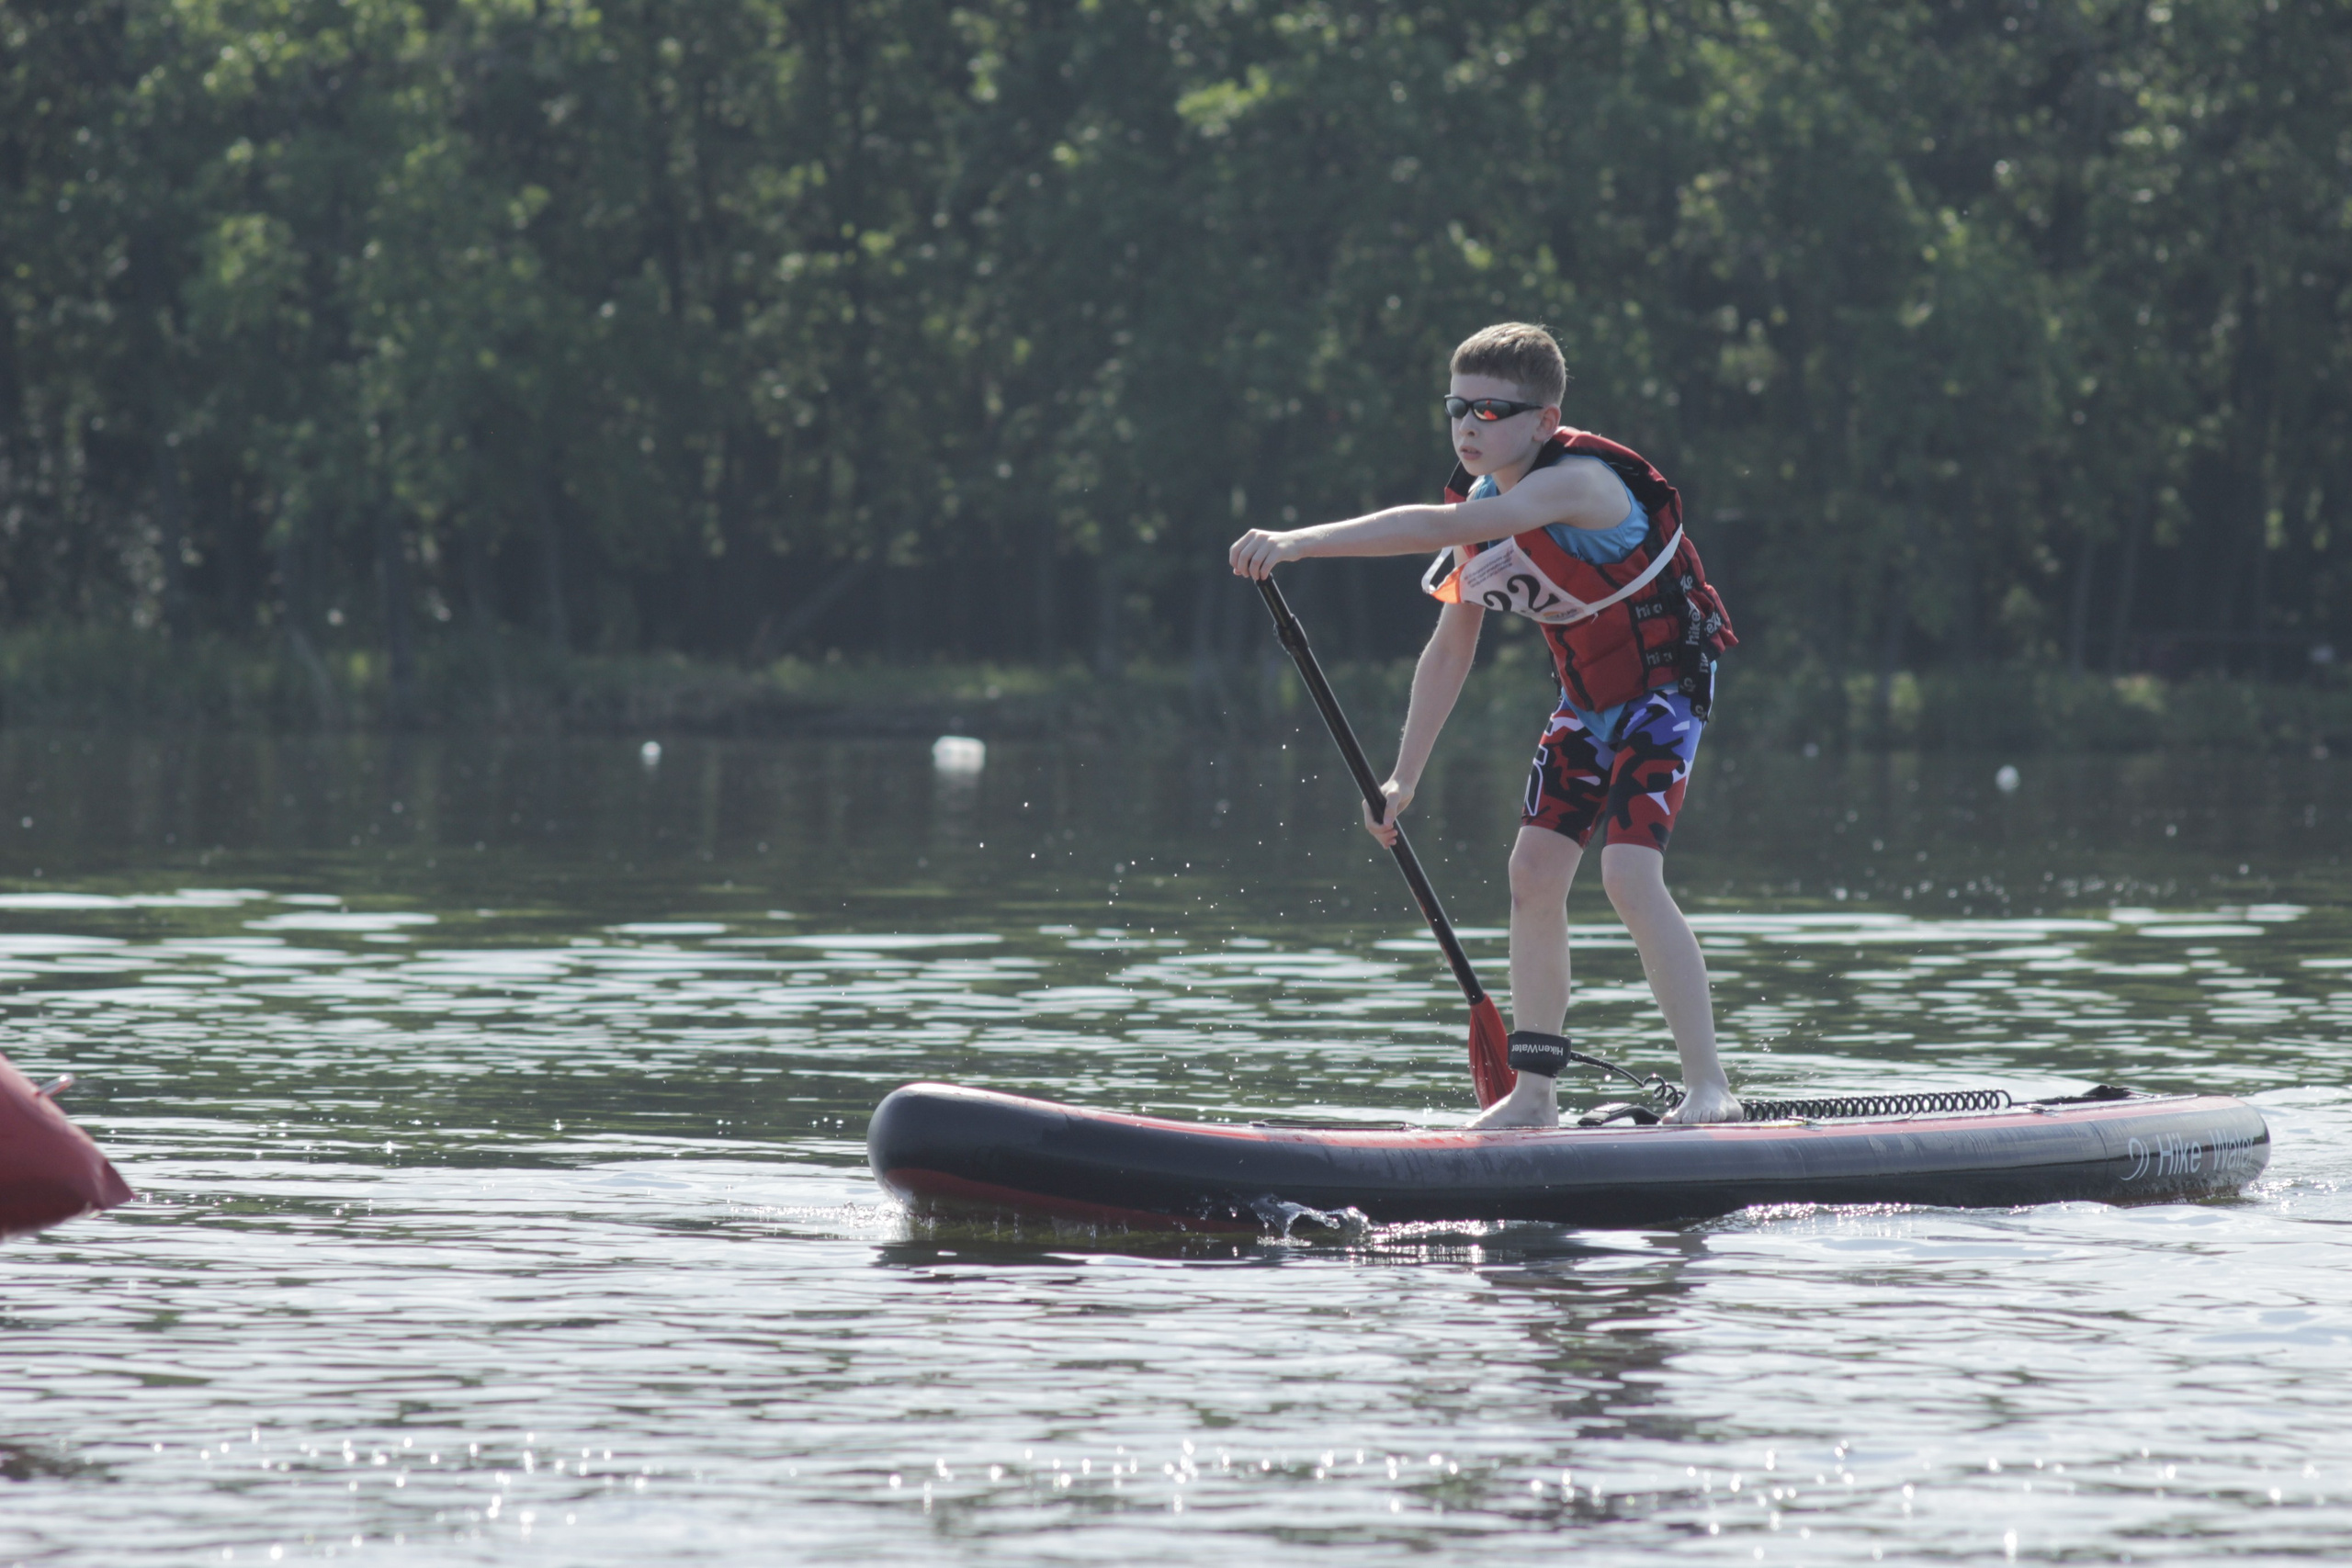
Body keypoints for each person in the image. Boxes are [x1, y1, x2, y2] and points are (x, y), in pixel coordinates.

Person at [1227, 322, 1741, 1127]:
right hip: (1585, 706)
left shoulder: (1575, 485)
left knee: (1628, 876)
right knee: (1532, 874)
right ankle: (1533, 1096)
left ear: (1544, 419)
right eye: (1456, 407)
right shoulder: (1489, 501)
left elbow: (1435, 531)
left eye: (1493, 410)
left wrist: (1296, 543)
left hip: (1663, 696)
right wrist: (1403, 777)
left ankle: (1710, 1088)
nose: (1468, 426)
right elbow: (1449, 648)